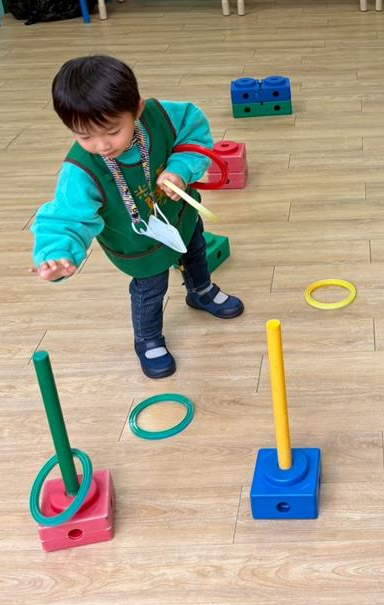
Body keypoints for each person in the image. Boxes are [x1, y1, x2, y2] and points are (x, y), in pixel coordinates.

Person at [31, 54, 243, 378]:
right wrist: (57, 254)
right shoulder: (80, 170)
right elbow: (66, 218)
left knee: (196, 250)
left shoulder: (163, 117)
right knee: (150, 290)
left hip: (180, 216)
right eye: (84, 136)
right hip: (138, 245)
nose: (101, 145)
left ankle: (201, 291)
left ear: (138, 109)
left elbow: (194, 133)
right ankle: (148, 338)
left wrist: (180, 169)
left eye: (112, 131)